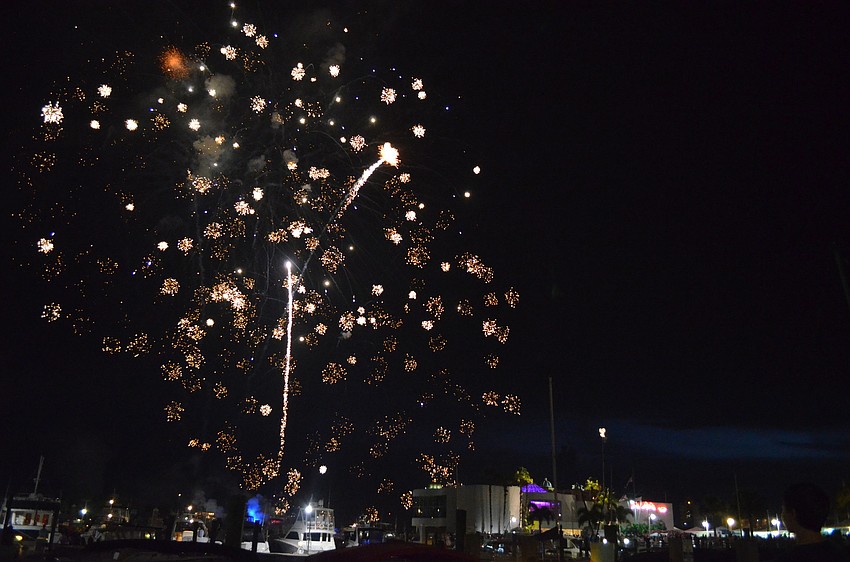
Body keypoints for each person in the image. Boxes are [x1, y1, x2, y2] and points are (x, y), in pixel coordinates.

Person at [774, 482, 850, 562]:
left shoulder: (789, 558)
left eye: (783, 509)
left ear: (793, 513)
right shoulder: (842, 555)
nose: (782, 515)